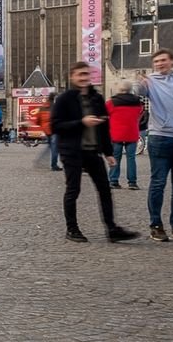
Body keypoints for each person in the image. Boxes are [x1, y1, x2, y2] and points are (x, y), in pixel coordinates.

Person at [51, 61, 138, 244]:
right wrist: (81, 122)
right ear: (72, 77)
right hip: (72, 151)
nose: (83, 78)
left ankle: (112, 229)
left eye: (86, 74)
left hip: (92, 151)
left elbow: (104, 126)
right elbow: (55, 126)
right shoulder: (65, 99)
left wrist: (108, 152)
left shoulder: (96, 98)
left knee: (105, 189)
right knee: (73, 189)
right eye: (80, 74)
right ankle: (72, 229)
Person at [134, 48, 173, 242]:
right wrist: (139, 84)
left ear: (172, 61)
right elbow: (138, 92)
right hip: (161, 137)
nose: (160, 64)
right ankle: (155, 225)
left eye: (163, 60)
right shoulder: (150, 82)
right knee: (158, 183)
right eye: (156, 61)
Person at [107, 80, 143, 189]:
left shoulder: (111, 103)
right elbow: (139, 114)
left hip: (116, 134)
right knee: (131, 158)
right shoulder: (138, 102)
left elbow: (105, 115)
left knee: (116, 158)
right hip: (131, 133)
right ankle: (132, 182)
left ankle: (113, 181)